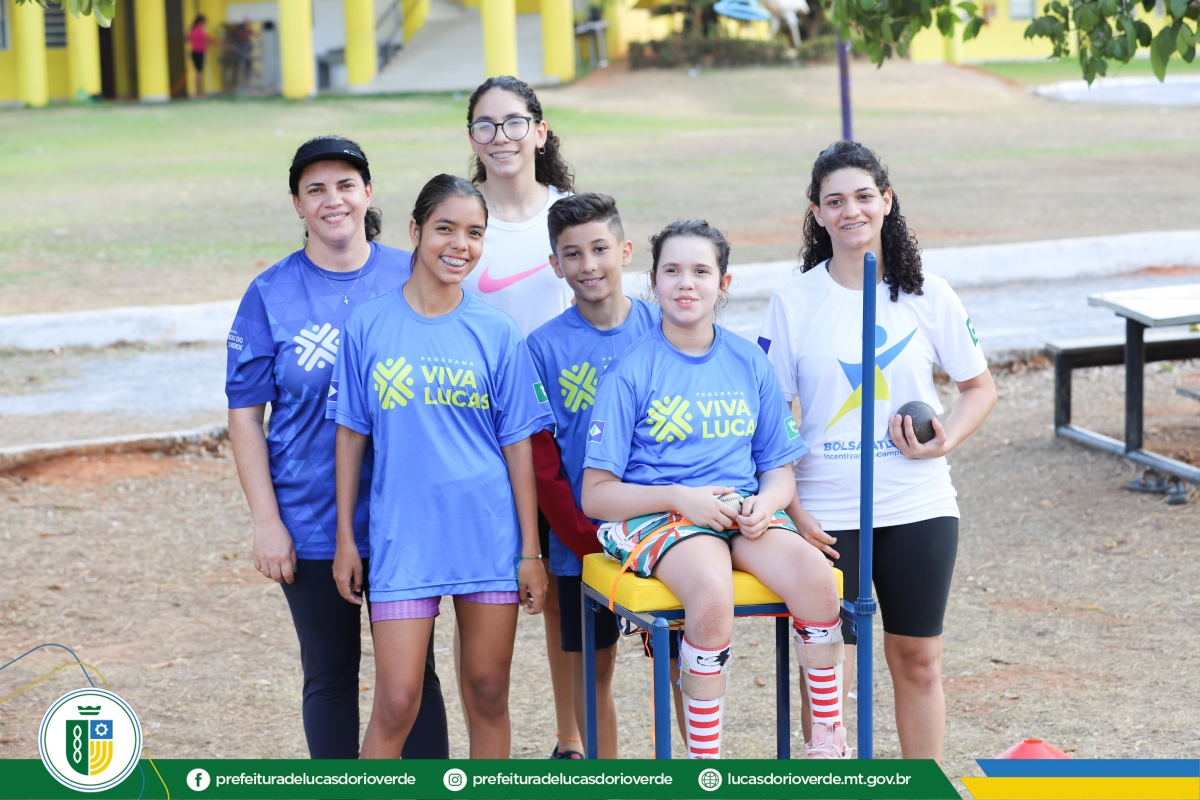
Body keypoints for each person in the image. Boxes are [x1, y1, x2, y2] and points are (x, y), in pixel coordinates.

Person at [758, 140, 997, 761]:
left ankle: (921, 781)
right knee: (825, 668)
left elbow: (978, 388)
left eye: (864, 197)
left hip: (917, 504)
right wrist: (789, 508)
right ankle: (829, 777)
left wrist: (947, 437)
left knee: (917, 659)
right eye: (834, 201)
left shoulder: (929, 294)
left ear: (887, 202)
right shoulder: (794, 301)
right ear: (816, 213)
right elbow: (772, 416)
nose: (851, 211)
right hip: (826, 515)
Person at [581, 220, 850, 759]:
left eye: (701, 271)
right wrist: (680, 497)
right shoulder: (631, 371)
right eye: (672, 270)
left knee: (817, 580)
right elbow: (596, 494)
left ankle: (828, 737)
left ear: (723, 284)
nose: (687, 283)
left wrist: (767, 506)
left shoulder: (748, 360)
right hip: (664, 515)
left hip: (740, 513)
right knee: (711, 590)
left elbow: (778, 469)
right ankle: (708, 766)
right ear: (652, 282)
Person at [226, 136, 449, 759]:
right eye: (316, 189)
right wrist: (267, 523)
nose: (333, 200)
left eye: (346, 185)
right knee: (329, 676)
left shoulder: (411, 273)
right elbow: (245, 416)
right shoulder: (269, 294)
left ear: (368, 193)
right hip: (312, 518)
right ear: (297, 203)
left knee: (414, 680)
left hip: (404, 514)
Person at [330, 174, 553, 759]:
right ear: (415, 232)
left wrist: (531, 552)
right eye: (445, 229)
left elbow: (518, 446)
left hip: (487, 535)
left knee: (487, 692)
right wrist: (345, 541)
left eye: (475, 233)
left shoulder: (496, 331)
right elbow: (351, 435)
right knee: (397, 700)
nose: (460, 245)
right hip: (406, 538)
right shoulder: (368, 326)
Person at [460, 75, 593, 759]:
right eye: (485, 125)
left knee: (568, 585)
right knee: (497, 588)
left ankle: (574, 740)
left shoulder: (573, 215)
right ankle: (489, 747)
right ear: (472, 140)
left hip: (566, 436)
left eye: (514, 122)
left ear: (540, 131)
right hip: (482, 436)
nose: (501, 136)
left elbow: (606, 316)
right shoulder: (462, 217)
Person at [526, 193, 658, 758]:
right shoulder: (541, 348)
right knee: (593, 670)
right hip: (581, 542)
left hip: (666, 532)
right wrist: (580, 536)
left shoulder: (664, 327)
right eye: (572, 254)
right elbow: (542, 458)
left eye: (600, 249)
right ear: (555, 264)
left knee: (678, 664)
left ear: (624, 251)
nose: (588, 265)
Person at [188, 15, 214, 97]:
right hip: (198, 52)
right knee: (199, 72)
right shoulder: (199, 30)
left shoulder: (192, 29)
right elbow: (207, 39)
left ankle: (198, 91)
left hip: (196, 51)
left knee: (198, 71)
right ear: (201, 21)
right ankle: (198, 92)